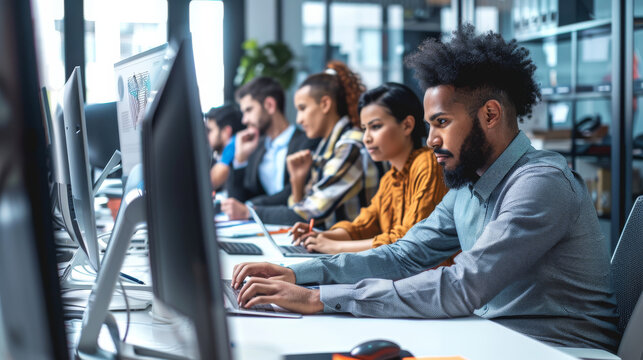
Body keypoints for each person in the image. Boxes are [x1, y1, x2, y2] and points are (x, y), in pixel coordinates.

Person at [229, 25, 620, 352]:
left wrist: (320, 298)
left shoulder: (539, 183)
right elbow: (403, 255)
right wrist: (298, 274)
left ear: (489, 115)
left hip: (560, 351)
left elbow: (463, 284)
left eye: (442, 122)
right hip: (497, 338)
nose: (430, 138)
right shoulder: (469, 186)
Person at [290, 82, 448, 254]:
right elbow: (361, 227)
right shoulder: (390, 178)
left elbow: (408, 240)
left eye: (376, 127)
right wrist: (321, 236)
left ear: (407, 125)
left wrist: (335, 247)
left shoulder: (428, 164)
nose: (366, 138)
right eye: (365, 128)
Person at [223, 61, 381, 228]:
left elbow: (308, 213)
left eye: (303, 108)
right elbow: (302, 208)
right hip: (330, 243)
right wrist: (297, 182)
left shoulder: (350, 145)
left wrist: (249, 211)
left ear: (325, 104)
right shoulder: (326, 146)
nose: (299, 119)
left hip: (348, 249)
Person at [223, 77, 318, 208]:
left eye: (249, 110)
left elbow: (293, 192)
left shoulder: (307, 142)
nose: (244, 120)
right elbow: (237, 201)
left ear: (270, 105)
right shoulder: (256, 147)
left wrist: (251, 206)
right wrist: (240, 159)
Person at [204, 104, 244, 189]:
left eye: (210, 130)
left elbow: (208, 185)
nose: (207, 136)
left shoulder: (237, 154)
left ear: (226, 131)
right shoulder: (216, 157)